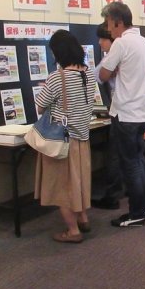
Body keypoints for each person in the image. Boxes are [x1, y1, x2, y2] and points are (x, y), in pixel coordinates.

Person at [34, 29, 96, 243]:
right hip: (82, 139)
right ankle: (83, 219)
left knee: (62, 187)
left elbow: (41, 106)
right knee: (78, 183)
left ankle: (72, 231)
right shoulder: (88, 74)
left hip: (62, 142)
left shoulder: (56, 78)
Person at [99, 1, 145, 227]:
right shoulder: (143, 41)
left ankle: (137, 212)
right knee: (138, 162)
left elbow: (103, 74)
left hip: (126, 114)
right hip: (142, 112)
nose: (108, 29)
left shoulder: (121, 44)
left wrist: (113, 69)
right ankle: (143, 207)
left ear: (118, 22)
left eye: (109, 24)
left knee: (130, 164)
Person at [92, 24, 125, 209]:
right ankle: (143, 188)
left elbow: (98, 76)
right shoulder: (131, 50)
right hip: (133, 111)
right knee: (134, 153)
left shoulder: (115, 55)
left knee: (114, 154)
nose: (99, 43)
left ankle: (112, 195)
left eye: (102, 39)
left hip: (120, 111)